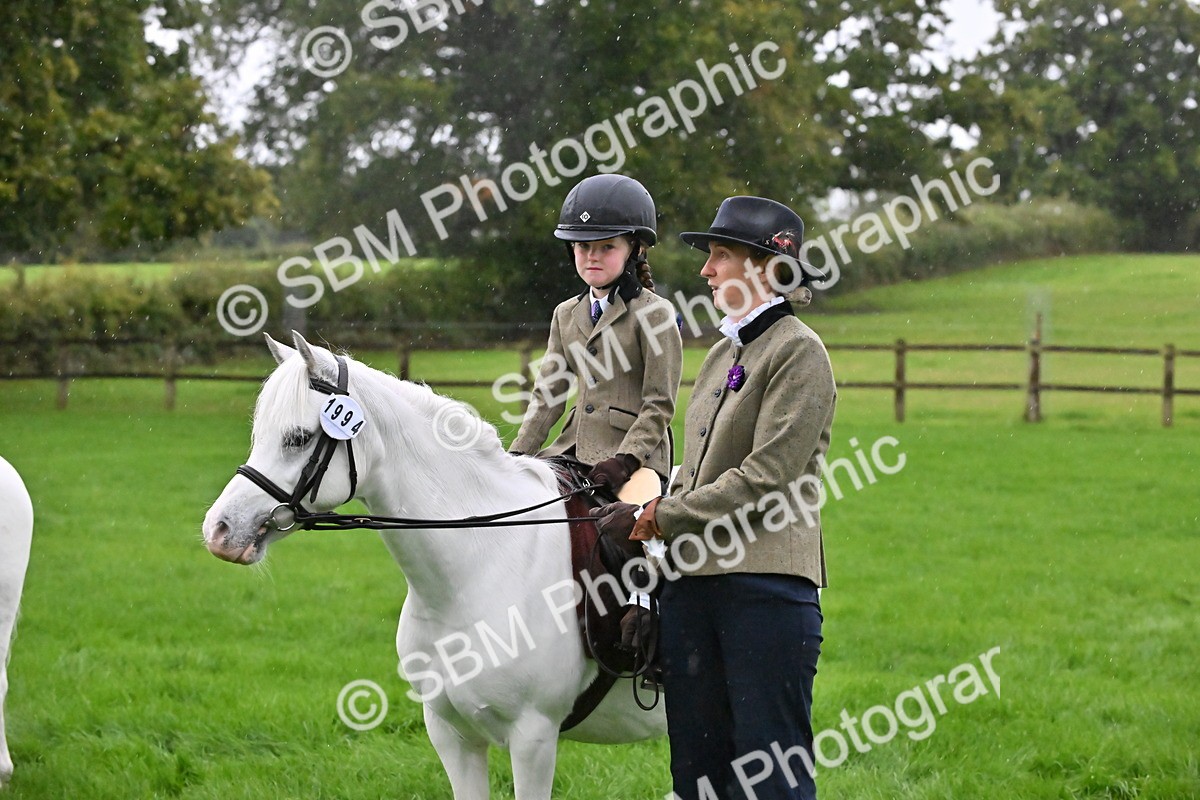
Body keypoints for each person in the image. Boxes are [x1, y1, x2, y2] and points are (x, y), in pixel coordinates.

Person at [592, 196, 836, 800]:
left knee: (771, 773)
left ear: (764, 269)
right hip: (694, 586)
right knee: (698, 775)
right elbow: (694, 467)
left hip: (764, 589)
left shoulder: (799, 352)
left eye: (721, 257)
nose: (706, 271)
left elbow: (767, 474)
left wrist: (662, 516)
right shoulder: (724, 352)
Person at [509, 173, 682, 497]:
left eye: (606, 247)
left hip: (636, 461)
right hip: (572, 450)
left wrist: (625, 459)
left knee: (631, 533)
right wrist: (518, 454)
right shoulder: (565, 313)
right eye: (583, 246)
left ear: (635, 249)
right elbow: (549, 395)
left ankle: (654, 550)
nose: (592, 256)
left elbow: (659, 404)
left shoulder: (654, 314)